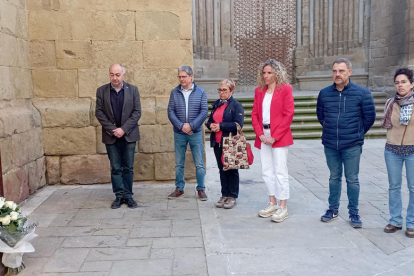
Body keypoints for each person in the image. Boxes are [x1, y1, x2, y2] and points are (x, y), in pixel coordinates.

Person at [317, 58, 376, 228]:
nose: (337, 74)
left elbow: (369, 117)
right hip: (330, 144)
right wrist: (332, 130)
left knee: (352, 179)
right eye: (335, 71)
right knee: (334, 177)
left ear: (349, 72)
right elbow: (322, 116)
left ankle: (354, 212)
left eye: (341, 71)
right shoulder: (325, 93)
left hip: (352, 145)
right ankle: (333, 209)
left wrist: (356, 133)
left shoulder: (362, 93)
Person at [251, 59, 294, 222]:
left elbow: (288, 114)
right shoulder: (259, 91)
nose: (266, 75)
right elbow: (254, 114)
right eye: (264, 73)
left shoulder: (285, 90)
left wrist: (274, 136)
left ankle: (283, 206)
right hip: (263, 135)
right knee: (266, 171)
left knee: (280, 171)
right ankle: (272, 202)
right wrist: (261, 135)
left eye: (269, 72)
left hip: (279, 137)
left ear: (277, 73)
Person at [95, 64, 141, 209]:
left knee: (128, 167)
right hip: (111, 136)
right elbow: (99, 113)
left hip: (128, 135)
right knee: (115, 167)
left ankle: (128, 195)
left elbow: (137, 112)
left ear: (123, 75)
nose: (114, 77)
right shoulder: (101, 91)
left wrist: (123, 129)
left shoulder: (133, 90)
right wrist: (113, 129)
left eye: (117, 74)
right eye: (112, 74)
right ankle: (119, 196)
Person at [167, 66, 208, 200]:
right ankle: (179, 188)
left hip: (194, 132)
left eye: (184, 76)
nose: (181, 79)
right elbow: (170, 111)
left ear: (191, 77)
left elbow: (204, 111)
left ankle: (201, 189)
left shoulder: (200, 92)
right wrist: (181, 126)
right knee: (179, 163)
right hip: (179, 133)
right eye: (179, 76)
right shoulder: (174, 92)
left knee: (199, 163)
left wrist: (191, 125)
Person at [382, 68, 414, 238]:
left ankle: (412, 223)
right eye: (397, 82)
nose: (400, 85)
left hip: (412, 150)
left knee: (413, 187)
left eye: (403, 82)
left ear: (412, 84)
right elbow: (388, 124)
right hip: (392, 150)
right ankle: (395, 220)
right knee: (394, 187)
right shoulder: (391, 103)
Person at [206, 79, 244, 209]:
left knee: (232, 169)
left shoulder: (236, 105)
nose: (221, 93)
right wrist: (210, 125)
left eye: (224, 90)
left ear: (231, 91)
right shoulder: (216, 104)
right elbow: (210, 120)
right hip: (217, 142)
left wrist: (220, 126)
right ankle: (224, 194)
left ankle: (232, 196)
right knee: (222, 169)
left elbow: (238, 124)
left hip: (230, 141)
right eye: (220, 90)